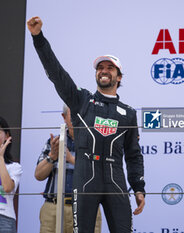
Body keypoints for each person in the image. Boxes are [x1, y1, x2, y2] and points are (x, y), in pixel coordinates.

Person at [27, 16, 145, 233]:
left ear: (119, 77)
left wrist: (138, 188)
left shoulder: (128, 113)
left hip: (115, 180)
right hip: (85, 179)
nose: (104, 70)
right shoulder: (81, 100)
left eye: (110, 68)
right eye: (101, 67)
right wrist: (38, 37)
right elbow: (56, 73)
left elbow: (134, 154)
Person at [35, 105, 102, 233]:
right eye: (74, 114)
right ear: (64, 117)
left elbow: (99, 172)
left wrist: (70, 158)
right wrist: (52, 157)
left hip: (86, 208)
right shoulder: (53, 142)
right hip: (53, 208)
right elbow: (38, 175)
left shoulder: (95, 142)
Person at [0, 116, 23, 233]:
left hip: (5, 219)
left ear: (7, 136)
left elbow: (8, 188)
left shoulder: (14, 167)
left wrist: (0, 158)